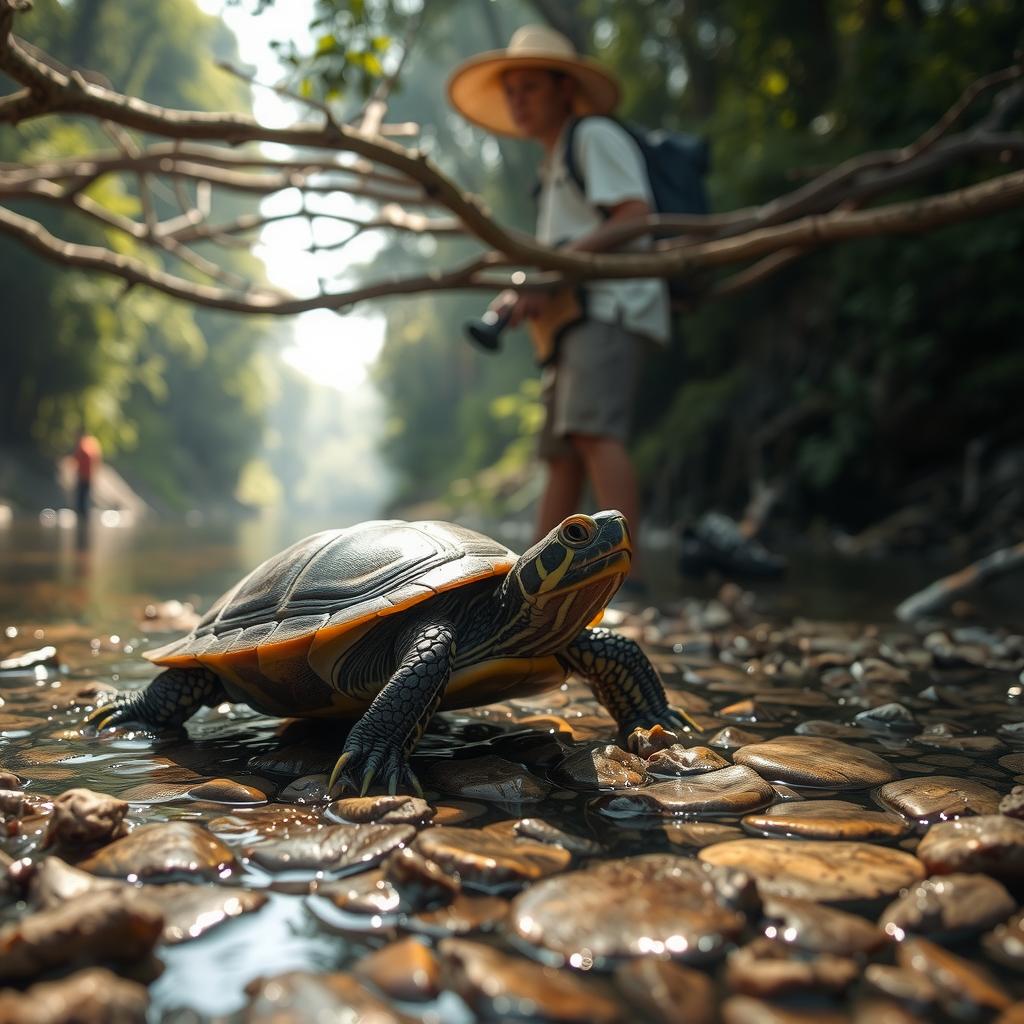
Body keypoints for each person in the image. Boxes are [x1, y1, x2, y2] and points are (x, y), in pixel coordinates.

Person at [448, 26, 669, 568]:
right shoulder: (552, 164)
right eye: (511, 91)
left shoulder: (593, 137)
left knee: (593, 435)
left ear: (564, 89)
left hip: (611, 308)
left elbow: (635, 216)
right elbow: (571, 246)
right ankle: (530, 590)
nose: (518, 101)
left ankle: (628, 576)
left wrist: (552, 273)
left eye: (530, 88)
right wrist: (537, 284)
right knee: (562, 454)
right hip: (575, 320)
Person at [72, 430, 102, 520]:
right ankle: (83, 517)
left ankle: (82, 517)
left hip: (84, 475)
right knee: (84, 498)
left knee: (81, 498)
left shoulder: (83, 444)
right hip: (88, 475)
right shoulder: (92, 442)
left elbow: (79, 457)